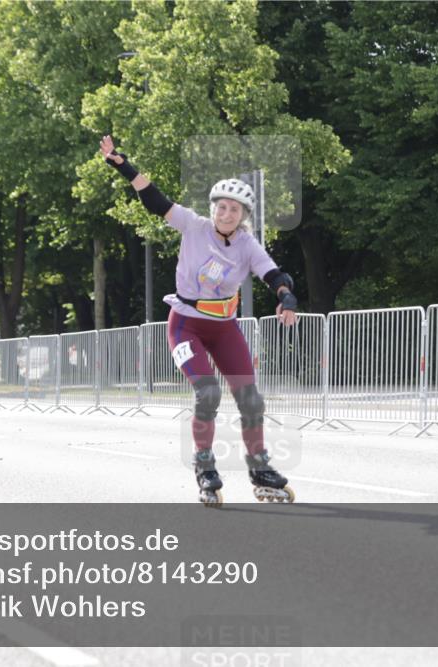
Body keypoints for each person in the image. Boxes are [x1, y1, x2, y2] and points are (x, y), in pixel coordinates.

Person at [101, 135, 298, 505]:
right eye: (221, 208)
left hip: (224, 328)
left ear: (243, 217)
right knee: (208, 392)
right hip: (185, 325)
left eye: (234, 211)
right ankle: (204, 464)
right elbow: (155, 200)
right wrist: (123, 166)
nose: (226, 214)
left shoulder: (247, 244)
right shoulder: (193, 225)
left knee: (251, 399)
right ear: (213, 209)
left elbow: (274, 275)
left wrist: (286, 297)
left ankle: (259, 465)